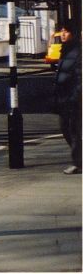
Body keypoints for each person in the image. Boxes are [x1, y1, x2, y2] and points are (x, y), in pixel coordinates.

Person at [53, 23, 81, 175]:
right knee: (66, 129)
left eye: (66, 31)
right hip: (64, 98)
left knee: (74, 130)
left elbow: (79, 77)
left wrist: (76, 97)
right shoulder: (65, 50)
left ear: (73, 34)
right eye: (61, 31)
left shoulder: (78, 51)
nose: (63, 34)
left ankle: (78, 163)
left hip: (74, 100)